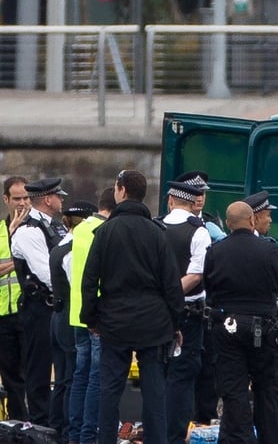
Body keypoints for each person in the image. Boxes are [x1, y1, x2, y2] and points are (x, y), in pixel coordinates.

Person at [80, 169, 184, 444]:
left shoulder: (104, 232)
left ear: (122, 191)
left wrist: (90, 318)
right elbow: (171, 283)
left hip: (114, 320)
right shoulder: (157, 233)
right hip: (154, 322)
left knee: (109, 391)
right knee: (154, 392)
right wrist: (176, 323)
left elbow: (90, 280)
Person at [203, 201, 278, 443]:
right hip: (265, 327)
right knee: (268, 392)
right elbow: (277, 281)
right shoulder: (270, 250)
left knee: (234, 392)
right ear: (252, 221)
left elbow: (210, 288)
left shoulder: (215, 251)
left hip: (227, 328)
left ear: (228, 225)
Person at [11, 177, 69, 426]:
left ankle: (56, 423)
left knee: (63, 367)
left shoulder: (56, 227)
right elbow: (47, 273)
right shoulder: (29, 231)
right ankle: (38, 424)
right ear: (47, 199)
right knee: (39, 370)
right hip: (38, 308)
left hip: (56, 306)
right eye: (58, 196)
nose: (62, 200)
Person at [160, 181, 212, 444]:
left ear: (170, 200)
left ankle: (156, 431)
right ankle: (175, 436)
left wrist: (160, 296)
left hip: (156, 311)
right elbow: (195, 275)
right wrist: (172, 293)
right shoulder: (198, 231)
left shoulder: (156, 226)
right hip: (187, 312)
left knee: (157, 372)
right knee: (182, 375)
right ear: (192, 203)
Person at [68, 187, 115, 444]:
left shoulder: (81, 228)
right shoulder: (103, 230)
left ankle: (75, 434)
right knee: (97, 378)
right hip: (97, 315)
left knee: (80, 376)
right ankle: (89, 435)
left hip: (78, 313)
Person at [48, 200, 96, 443]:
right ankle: (66, 431)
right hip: (69, 319)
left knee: (64, 379)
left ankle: (57, 428)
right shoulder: (73, 250)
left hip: (58, 316)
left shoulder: (60, 246)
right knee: (71, 378)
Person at [0, 176, 30, 421]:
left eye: (26, 198)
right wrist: (18, 260)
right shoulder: (1, 231)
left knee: (36, 375)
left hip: (31, 312)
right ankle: (17, 426)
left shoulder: (38, 228)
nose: (22, 203)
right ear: (6, 199)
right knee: (12, 379)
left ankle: (39, 427)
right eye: (17, 198)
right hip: (3, 316)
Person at [176, 170, 227, 242]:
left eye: (202, 193)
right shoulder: (172, 221)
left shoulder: (211, 221)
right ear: (183, 195)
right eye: (195, 194)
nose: (200, 199)